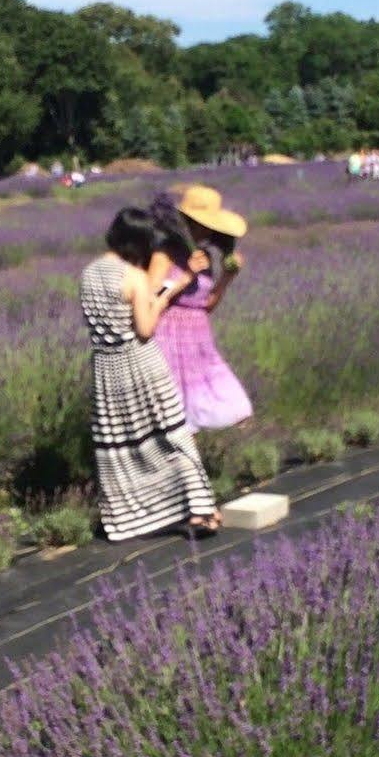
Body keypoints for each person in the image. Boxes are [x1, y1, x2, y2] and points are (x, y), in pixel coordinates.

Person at [80, 208, 219, 539]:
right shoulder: (134, 277)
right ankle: (201, 510)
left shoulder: (88, 273)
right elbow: (144, 328)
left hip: (106, 369)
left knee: (120, 445)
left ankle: (128, 518)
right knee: (172, 434)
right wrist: (169, 290)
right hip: (141, 365)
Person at [152, 187, 253, 431]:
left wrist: (227, 276)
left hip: (198, 340)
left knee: (237, 409)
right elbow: (152, 295)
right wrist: (186, 276)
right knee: (177, 418)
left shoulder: (204, 255)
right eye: (200, 224)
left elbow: (205, 305)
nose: (205, 230)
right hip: (168, 336)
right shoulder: (164, 252)